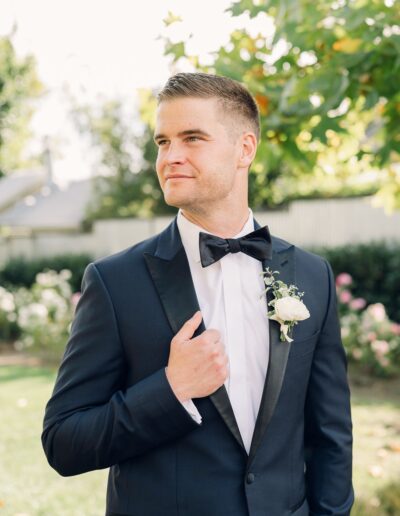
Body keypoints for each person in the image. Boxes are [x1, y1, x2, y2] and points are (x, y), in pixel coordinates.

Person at [42, 72, 354, 516]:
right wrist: (171, 390)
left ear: (244, 148)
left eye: (192, 138)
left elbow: (331, 436)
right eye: (162, 142)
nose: (171, 156)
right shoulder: (114, 283)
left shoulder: (311, 274)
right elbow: (63, 442)